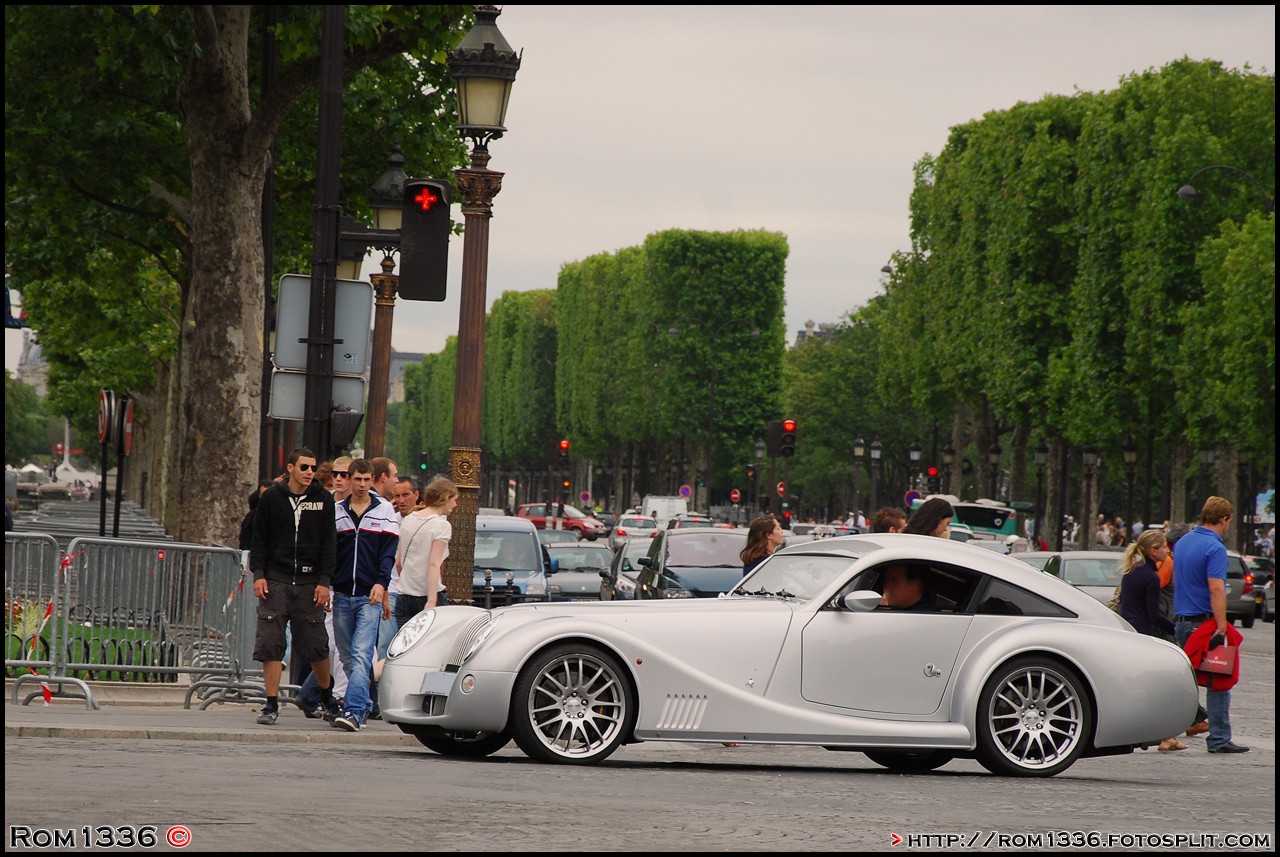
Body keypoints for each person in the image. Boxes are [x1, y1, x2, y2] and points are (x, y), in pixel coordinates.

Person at [248, 448, 338, 726]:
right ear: (290, 468)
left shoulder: (323, 499)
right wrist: (259, 575)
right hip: (276, 579)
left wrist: (325, 581)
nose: (310, 472)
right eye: (304, 467)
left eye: (312, 467)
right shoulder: (273, 498)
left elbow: (329, 543)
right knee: (271, 641)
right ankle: (271, 704)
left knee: (316, 644)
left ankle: (326, 696)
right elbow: (259, 538)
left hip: (310, 583)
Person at [1173, 496, 1247, 754]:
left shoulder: (1183, 542)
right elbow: (1216, 589)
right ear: (1224, 519)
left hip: (1182, 622)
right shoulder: (1214, 549)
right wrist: (1222, 626)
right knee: (1219, 681)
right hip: (1204, 624)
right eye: (1229, 521)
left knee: (1184, 682)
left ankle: (1167, 732)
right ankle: (1219, 738)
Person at [331, 458, 399, 732]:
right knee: (347, 656)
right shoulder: (336, 512)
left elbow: (388, 553)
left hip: (369, 595)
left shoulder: (384, 511)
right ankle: (367, 701)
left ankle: (354, 711)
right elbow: (328, 553)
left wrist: (381, 584)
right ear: (348, 480)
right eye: (356, 479)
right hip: (342, 593)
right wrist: (325, 584)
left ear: (372, 480)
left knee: (361, 654)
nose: (361, 484)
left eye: (366, 479)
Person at [1117, 529, 1186, 752]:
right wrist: (1174, 628)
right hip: (1144, 633)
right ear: (1153, 551)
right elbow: (1153, 615)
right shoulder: (1151, 578)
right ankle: (1164, 735)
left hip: (1128, 631)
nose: (1168, 550)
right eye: (1164, 547)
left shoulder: (1131, 572)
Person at [396, 477, 459, 624]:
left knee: (405, 644)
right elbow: (434, 564)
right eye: (454, 499)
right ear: (445, 499)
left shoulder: (409, 519)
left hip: (404, 595)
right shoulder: (442, 526)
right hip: (428, 594)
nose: (455, 504)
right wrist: (431, 601)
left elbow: (399, 563)